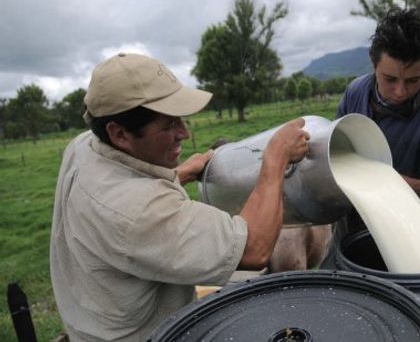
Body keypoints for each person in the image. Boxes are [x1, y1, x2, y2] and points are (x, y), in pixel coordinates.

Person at [50, 53, 309, 341]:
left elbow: (125, 187)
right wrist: (275, 157)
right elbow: (254, 249)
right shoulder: (138, 213)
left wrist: (181, 173)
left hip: (90, 318)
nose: (184, 133)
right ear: (120, 133)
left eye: (180, 120)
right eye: (168, 125)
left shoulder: (83, 146)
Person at [329, 8, 420, 245]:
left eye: (413, 80)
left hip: (408, 236)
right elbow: (335, 148)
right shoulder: (355, 92)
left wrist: (391, 182)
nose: (400, 92)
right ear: (373, 62)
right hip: (348, 231)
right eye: (389, 79)